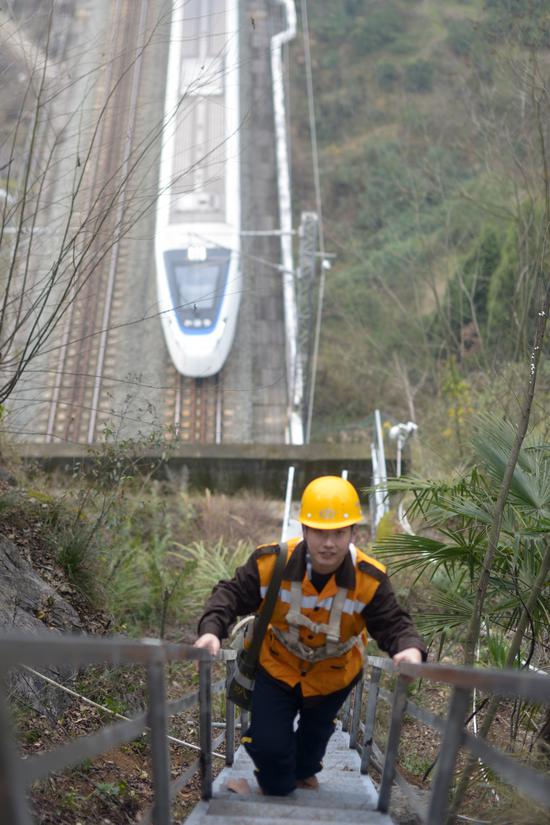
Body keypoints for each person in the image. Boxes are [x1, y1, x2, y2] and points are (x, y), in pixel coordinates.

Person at [194, 475, 426, 796]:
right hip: (277, 667)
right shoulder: (272, 563)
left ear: (353, 533)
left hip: (335, 676)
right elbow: (230, 594)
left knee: (310, 747)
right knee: (271, 758)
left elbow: (394, 623)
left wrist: (409, 650)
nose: (328, 543)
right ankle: (277, 779)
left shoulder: (369, 579)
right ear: (304, 529)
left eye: (338, 533)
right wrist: (210, 632)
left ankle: (304, 768)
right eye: (319, 531)